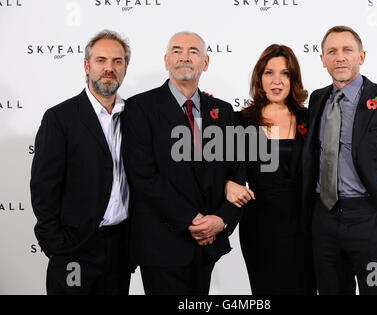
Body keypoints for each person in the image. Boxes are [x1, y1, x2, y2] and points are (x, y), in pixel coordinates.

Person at [302, 25, 377, 295]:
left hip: (369, 221)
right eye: (331, 51)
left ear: (361, 57)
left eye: (347, 50)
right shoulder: (318, 99)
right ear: (322, 60)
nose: (339, 57)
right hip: (324, 221)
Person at [122, 31, 242, 295]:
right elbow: (144, 176)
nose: (184, 57)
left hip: (207, 245)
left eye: (193, 52)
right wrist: (194, 220)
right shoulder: (139, 108)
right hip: (162, 245)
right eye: (176, 51)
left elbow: (237, 173)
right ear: (166, 61)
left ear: (206, 63)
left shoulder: (222, 111)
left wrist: (220, 220)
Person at [30, 30, 132, 295]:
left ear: (125, 68)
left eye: (117, 61)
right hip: (75, 249)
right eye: (101, 60)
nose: (109, 68)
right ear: (87, 66)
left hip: (121, 247)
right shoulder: (60, 118)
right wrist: (55, 246)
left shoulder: (135, 116)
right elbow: (44, 188)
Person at [224, 44, 316, 294]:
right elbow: (219, 167)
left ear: (293, 78)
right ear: (259, 78)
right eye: (269, 73)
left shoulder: (311, 118)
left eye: (285, 73)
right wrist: (227, 184)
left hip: (306, 225)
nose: (277, 81)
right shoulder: (240, 120)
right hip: (260, 227)